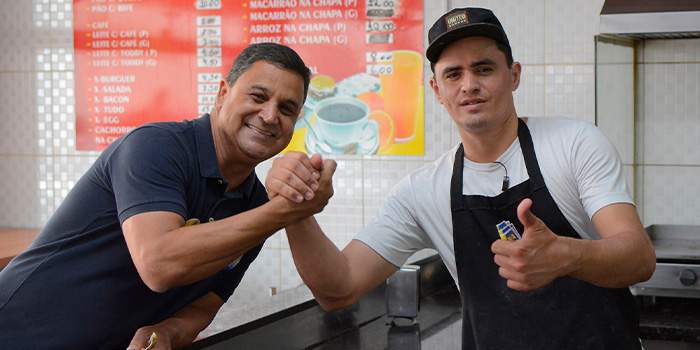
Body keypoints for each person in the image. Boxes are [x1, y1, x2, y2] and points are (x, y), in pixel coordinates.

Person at [265, 7, 656, 350]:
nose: (469, 84)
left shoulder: (574, 144)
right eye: (453, 74)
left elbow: (638, 257)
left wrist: (565, 256)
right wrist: (296, 210)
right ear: (436, 90)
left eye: (483, 68)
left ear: (513, 75)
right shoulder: (422, 192)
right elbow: (339, 288)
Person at [0, 42, 335, 349]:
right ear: (222, 94)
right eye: (258, 97)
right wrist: (285, 211)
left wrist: (169, 332)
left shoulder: (255, 205)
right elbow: (158, 264)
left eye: (287, 108)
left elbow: (206, 303)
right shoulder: (156, 146)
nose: (270, 115)